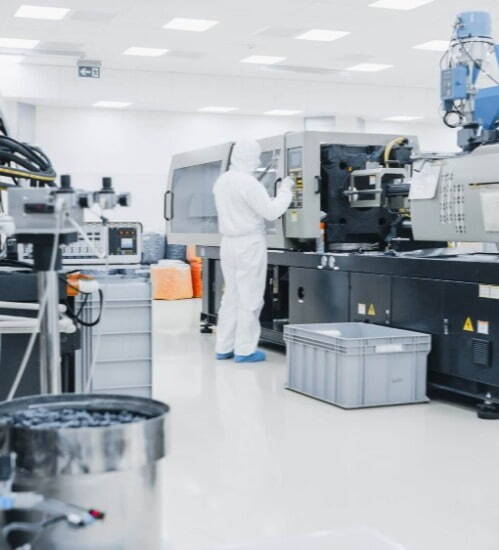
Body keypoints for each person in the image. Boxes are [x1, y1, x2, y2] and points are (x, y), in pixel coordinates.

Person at [213, 139, 295, 363]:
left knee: (231, 297)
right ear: (249, 157)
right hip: (249, 244)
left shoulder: (222, 181)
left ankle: (224, 347)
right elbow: (271, 211)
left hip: (228, 243)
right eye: (256, 156)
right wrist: (286, 190)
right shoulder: (248, 183)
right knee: (250, 298)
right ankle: (245, 351)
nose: (258, 161)